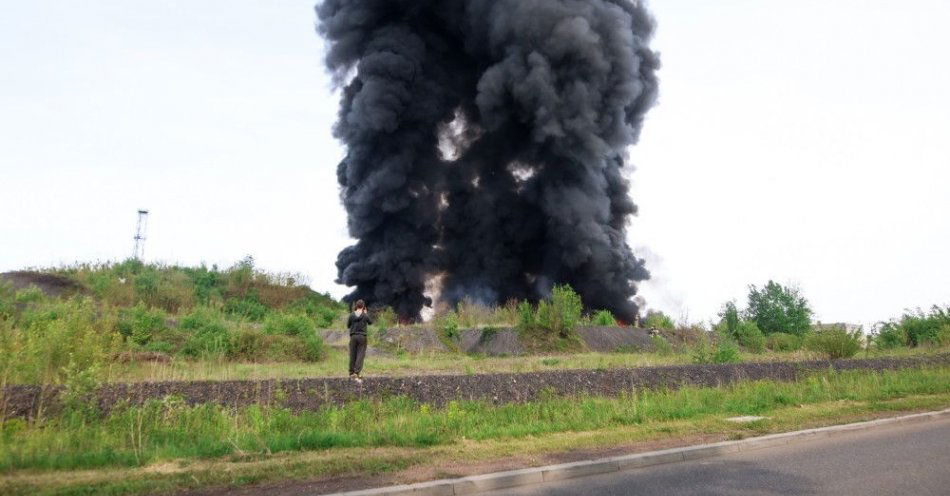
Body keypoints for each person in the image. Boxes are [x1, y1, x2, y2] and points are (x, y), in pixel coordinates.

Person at [346, 299, 371, 381]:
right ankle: (356, 372)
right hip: (362, 337)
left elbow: (348, 325)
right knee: (360, 355)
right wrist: (366, 313)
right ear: (363, 306)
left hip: (353, 336)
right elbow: (370, 322)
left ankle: (351, 372)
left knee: (352, 354)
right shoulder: (365, 315)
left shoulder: (351, 315)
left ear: (356, 306)